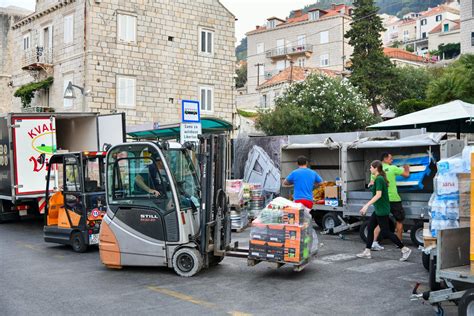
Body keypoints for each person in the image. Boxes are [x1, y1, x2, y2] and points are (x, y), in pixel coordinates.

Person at [357, 160, 411, 261]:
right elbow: (378, 190)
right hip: (379, 208)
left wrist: (366, 205)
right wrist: (372, 184)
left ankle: (404, 249)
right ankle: (367, 251)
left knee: (386, 232)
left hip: (382, 209)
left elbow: (379, 195)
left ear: (376, 168)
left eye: (371, 167)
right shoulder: (379, 178)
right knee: (370, 227)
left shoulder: (380, 179)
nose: (369, 169)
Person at [371, 153, 410, 251]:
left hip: (383, 200)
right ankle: (399, 243)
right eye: (391, 159)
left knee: (380, 222)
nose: (392, 160)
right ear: (385, 159)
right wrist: (407, 168)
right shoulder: (393, 168)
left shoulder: (375, 170)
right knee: (399, 221)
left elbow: (372, 184)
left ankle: (374, 242)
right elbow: (406, 175)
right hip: (394, 199)